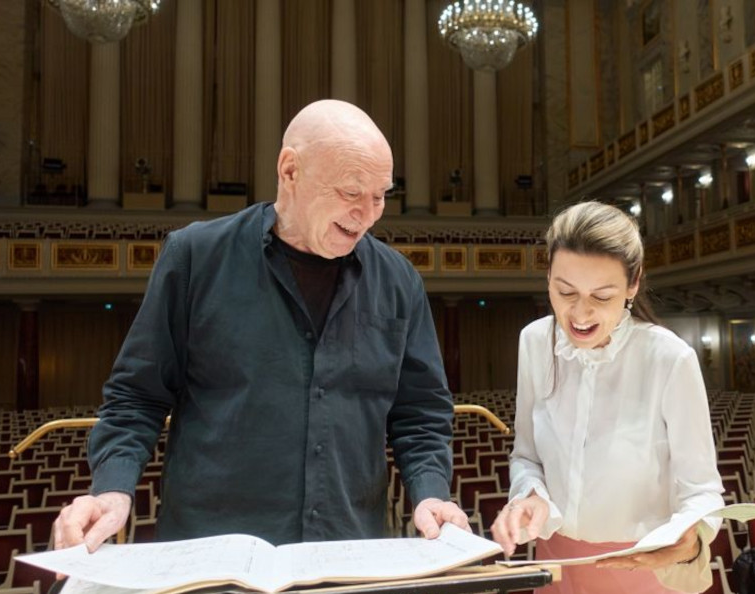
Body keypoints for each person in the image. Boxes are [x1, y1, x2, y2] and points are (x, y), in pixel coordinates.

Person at [53, 99, 468, 553]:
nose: (367, 214)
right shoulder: (195, 257)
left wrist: (431, 491)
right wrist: (112, 487)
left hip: (348, 551)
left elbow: (421, 412)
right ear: (290, 170)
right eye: (351, 192)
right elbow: (137, 395)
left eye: (381, 195)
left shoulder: (399, 279)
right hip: (212, 554)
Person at [490, 201, 724, 594]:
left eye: (602, 296)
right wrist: (528, 496)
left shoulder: (670, 358)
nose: (579, 313)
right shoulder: (534, 341)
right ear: (548, 276)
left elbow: (702, 490)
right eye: (565, 291)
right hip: (559, 567)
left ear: (633, 285)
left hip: (646, 572)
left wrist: (693, 534)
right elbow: (527, 456)